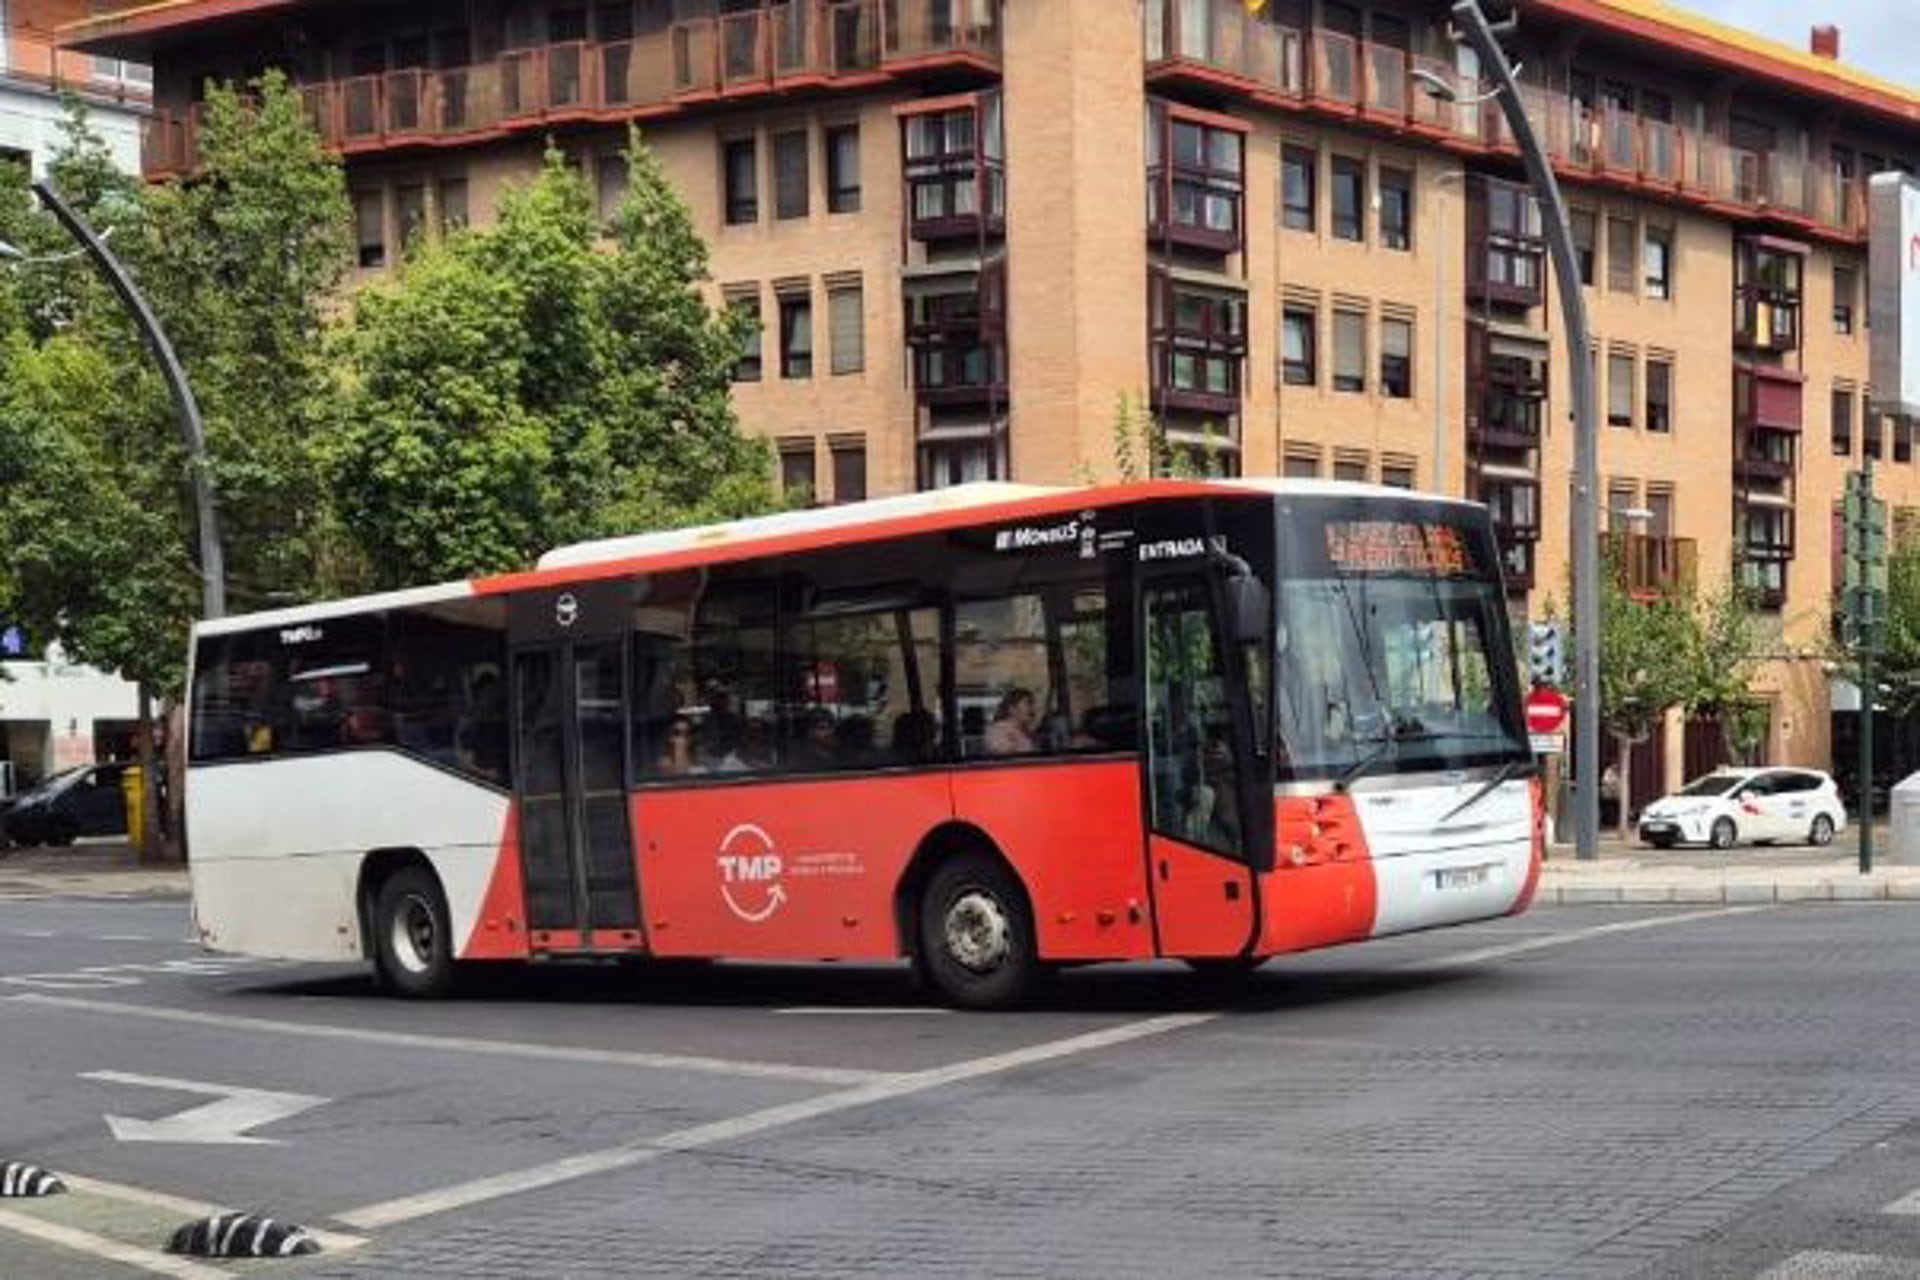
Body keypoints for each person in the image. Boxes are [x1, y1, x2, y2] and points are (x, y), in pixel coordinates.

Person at [983, 688, 1039, 756]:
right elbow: (1005, 757)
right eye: (1028, 704)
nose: (1033, 709)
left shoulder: (1025, 731)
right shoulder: (998, 731)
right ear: (1012, 709)